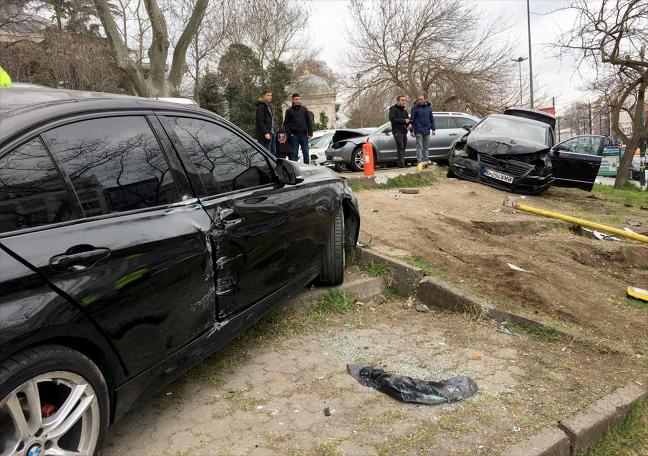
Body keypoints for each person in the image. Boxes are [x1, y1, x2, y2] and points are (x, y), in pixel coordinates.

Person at [283, 93, 313, 163]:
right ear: (293, 100)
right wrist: (290, 134)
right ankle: (294, 170)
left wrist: (310, 133)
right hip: (294, 136)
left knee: (306, 153)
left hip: (304, 135)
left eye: (299, 99)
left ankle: (307, 168)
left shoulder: (304, 109)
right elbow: (286, 123)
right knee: (294, 154)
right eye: (296, 99)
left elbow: (309, 122)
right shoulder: (289, 111)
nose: (297, 101)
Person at [409, 95, 436, 165]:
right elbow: (411, 120)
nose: (420, 101)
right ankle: (419, 162)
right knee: (419, 146)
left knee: (426, 147)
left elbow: (431, 119)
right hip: (418, 130)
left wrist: (433, 129)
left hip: (427, 130)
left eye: (421, 99)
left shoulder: (428, 108)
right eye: (419, 99)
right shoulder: (415, 108)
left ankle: (426, 161)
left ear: (425, 100)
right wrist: (411, 130)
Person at [388, 95, 410, 168]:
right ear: (398, 101)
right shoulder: (393, 110)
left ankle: (401, 162)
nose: (404, 102)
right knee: (400, 147)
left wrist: (411, 129)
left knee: (403, 147)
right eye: (402, 100)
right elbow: (393, 120)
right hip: (397, 131)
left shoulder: (404, 111)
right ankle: (401, 164)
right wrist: (404, 121)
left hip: (404, 131)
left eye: (404, 100)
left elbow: (408, 122)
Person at [255, 89, 275, 154]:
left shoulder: (267, 106)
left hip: (270, 133)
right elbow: (261, 120)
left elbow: (270, 120)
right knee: (265, 154)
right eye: (268, 95)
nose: (269, 97)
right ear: (263, 96)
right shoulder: (261, 106)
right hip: (264, 135)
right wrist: (266, 133)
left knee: (270, 153)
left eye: (270, 95)